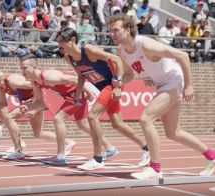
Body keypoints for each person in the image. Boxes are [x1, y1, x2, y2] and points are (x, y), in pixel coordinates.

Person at [108, 13, 215, 179]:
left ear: (128, 30)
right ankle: (212, 156)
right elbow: (130, 74)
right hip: (162, 84)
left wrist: (188, 85)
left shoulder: (145, 44)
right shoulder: (121, 50)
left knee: (146, 119)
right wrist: (121, 80)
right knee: (173, 133)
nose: (112, 34)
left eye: (116, 30)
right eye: (110, 31)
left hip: (173, 81)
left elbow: (183, 55)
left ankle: (155, 168)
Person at [56, 27, 150, 171]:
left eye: (61, 42)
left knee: (92, 116)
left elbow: (117, 60)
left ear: (73, 40)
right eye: (58, 42)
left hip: (112, 84)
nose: (59, 45)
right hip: (103, 87)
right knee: (117, 124)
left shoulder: (88, 50)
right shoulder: (68, 58)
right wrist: (78, 93)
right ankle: (146, 147)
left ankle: (97, 158)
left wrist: (118, 86)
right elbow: (81, 75)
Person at [19, 54, 117, 165]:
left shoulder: (48, 76)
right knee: (82, 124)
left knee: (58, 118)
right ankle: (110, 147)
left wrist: (89, 93)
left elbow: (76, 79)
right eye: (21, 68)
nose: (22, 71)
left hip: (76, 94)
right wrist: (28, 107)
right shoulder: (35, 81)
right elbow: (39, 102)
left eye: (24, 68)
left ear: (34, 67)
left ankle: (60, 155)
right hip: (73, 96)